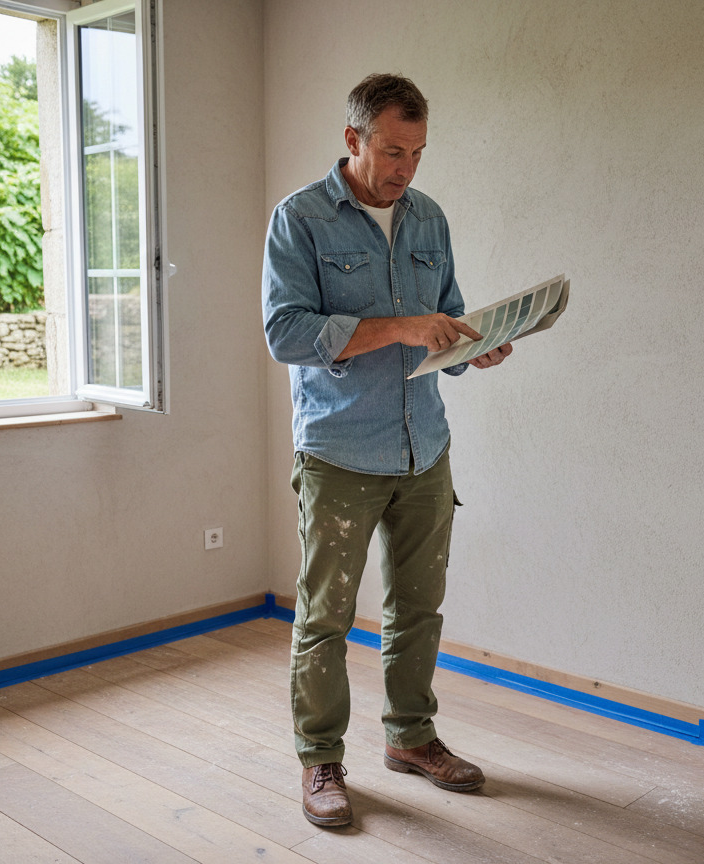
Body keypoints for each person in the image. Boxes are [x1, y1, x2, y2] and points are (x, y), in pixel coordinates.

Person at [262, 73, 512, 827]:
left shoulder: (429, 218)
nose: (406, 169)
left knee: (418, 609)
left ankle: (411, 739)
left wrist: (477, 346)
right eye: (393, 150)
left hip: (423, 448)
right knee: (326, 618)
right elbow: (286, 335)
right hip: (339, 452)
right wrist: (401, 326)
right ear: (353, 140)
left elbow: (450, 318)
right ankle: (320, 761)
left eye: (418, 153)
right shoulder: (299, 219)